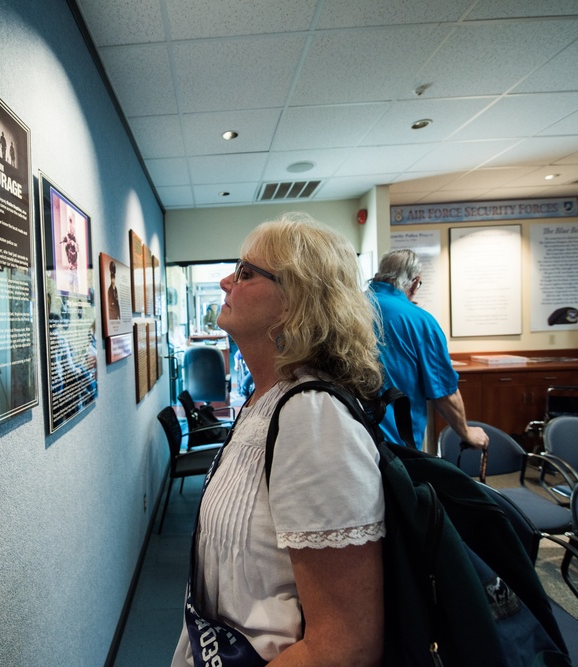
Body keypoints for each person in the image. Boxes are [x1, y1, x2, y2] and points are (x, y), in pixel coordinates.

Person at [170, 212, 385, 665]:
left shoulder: (313, 416)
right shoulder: (264, 398)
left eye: (246, 273)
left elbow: (343, 646)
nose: (227, 281)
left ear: (296, 301)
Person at [368, 249, 488, 451]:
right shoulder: (420, 321)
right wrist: (466, 432)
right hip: (396, 445)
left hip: (351, 437)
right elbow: (443, 392)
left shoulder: (349, 309)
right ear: (415, 282)